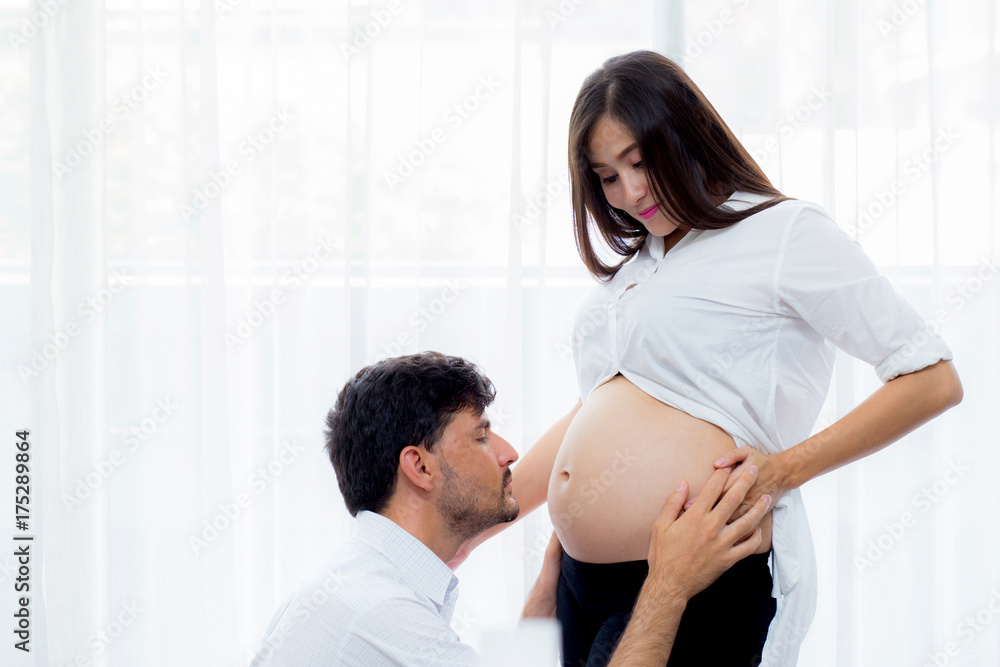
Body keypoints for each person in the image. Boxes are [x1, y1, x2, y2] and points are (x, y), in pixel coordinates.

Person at [454, 51, 963, 667]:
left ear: (688, 135)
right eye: (607, 177)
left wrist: (778, 471)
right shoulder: (635, 272)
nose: (630, 192)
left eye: (640, 162)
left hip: (694, 574)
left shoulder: (783, 232)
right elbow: (594, 411)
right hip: (572, 580)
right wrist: (475, 529)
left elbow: (932, 379)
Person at [249, 352, 772, 666]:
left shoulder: (358, 586)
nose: (509, 453)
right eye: (481, 436)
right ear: (420, 467)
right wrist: (668, 587)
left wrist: (543, 597)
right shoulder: (383, 617)